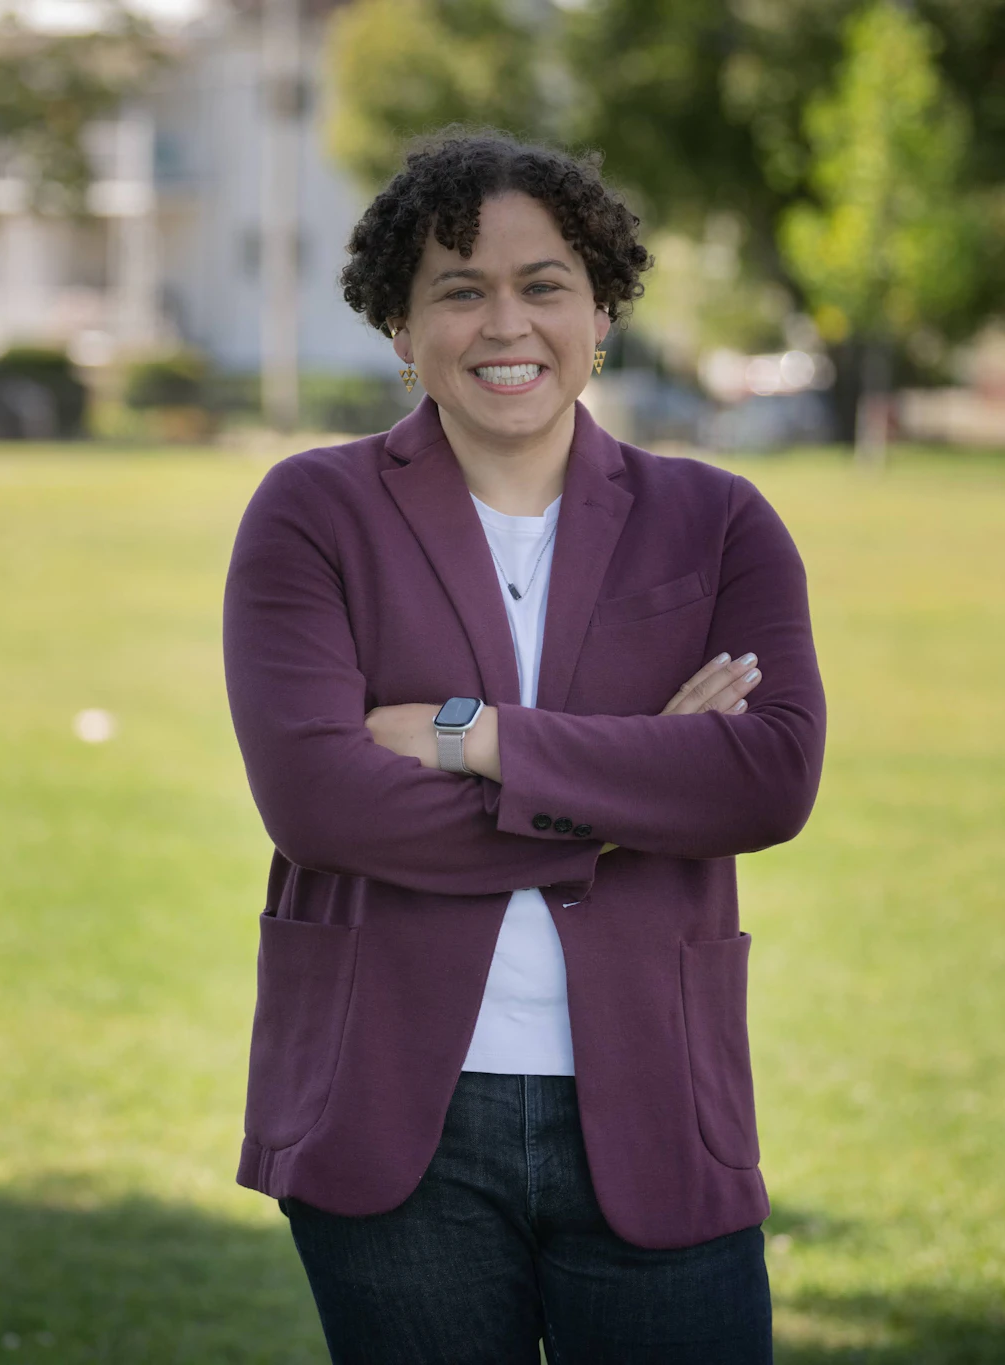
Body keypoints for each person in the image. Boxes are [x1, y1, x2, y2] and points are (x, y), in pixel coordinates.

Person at [220, 131, 827, 1364]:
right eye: (459, 289)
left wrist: (474, 737)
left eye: (542, 284)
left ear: (598, 314)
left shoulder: (716, 523)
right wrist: (644, 777)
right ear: (399, 329)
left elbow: (767, 777)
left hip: (657, 1105)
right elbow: (321, 802)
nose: (507, 323)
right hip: (392, 1115)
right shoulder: (311, 513)